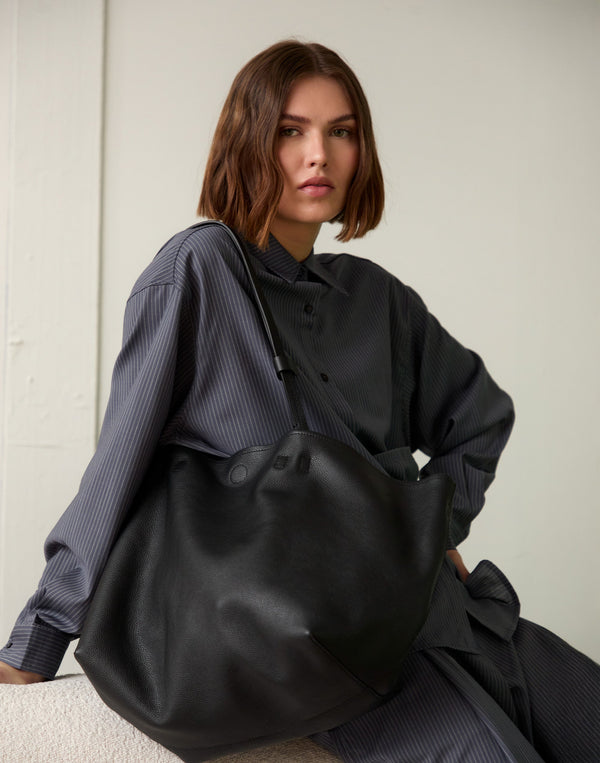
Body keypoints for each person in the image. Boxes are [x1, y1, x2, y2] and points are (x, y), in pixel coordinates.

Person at [1, 40, 598, 762]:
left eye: (341, 131)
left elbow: (479, 415)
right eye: (291, 130)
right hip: (329, 646)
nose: (320, 155)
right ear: (248, 141)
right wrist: (36, 643)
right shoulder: (201, 269)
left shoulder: (376, 299)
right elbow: (117, 467)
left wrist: (436, 525)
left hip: (445, 613)